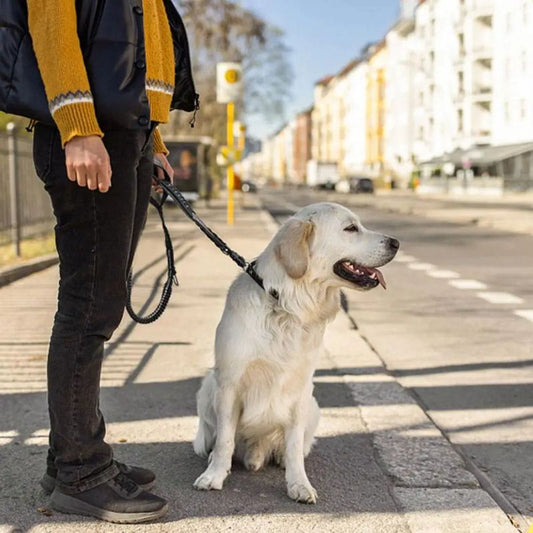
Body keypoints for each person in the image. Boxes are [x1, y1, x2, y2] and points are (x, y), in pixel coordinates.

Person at [0, 0, 197, 524]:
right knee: (90, 307)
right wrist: (77, 126)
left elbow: (142, 44)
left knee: (101, 303)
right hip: (91, 133)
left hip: (124, 131)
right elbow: (52, 22)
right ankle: (80, 473)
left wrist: (152, 139)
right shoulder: (84, 129)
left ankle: (71, 457)